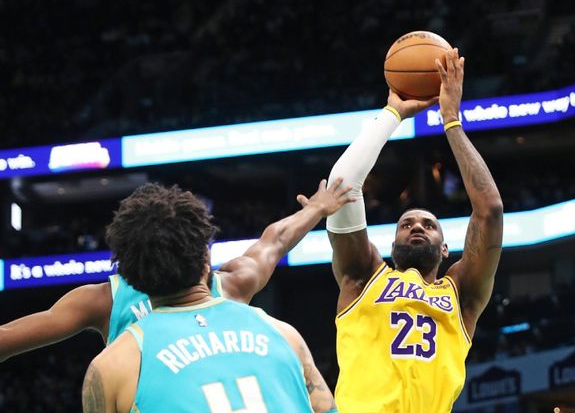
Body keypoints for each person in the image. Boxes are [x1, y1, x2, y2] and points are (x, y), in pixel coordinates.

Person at [326, 47, 504, 412]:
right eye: (406, 224)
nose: (417, 227)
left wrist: (451, 120)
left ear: (444, 249)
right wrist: (393, 114)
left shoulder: (462, 296)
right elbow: (342, 184)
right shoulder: (362, 278)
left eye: (428, 224)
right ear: (391, 245)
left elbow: (490, 210)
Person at [0, 177, 352, 360]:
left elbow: (9, 339)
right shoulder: (230, 285)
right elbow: (274, 241)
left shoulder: (104, 299)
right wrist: (316, 209)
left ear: (126, 257)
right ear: (203, 253)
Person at [82, 183, 335, 413]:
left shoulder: (111, 367)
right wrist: (316, 208)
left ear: (128, 276)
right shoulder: (283, 334)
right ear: (206, 259)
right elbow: (275, 240)